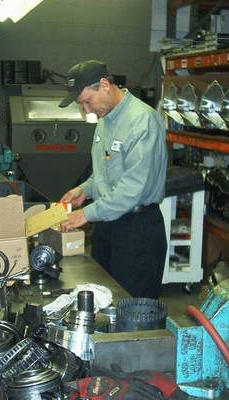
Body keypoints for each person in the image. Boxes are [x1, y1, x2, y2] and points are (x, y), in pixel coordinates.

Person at [58, 60, 168, 299]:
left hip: (136, 231)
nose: (86, 110)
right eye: (82, 105)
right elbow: (106, 171)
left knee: (132, 308)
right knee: (104, 301)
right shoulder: (105, 119)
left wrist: (86, 214)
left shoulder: (142, 120)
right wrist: (84, 190)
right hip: (108, 226)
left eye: (88, 101)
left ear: (105, 85)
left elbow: (132, 189)